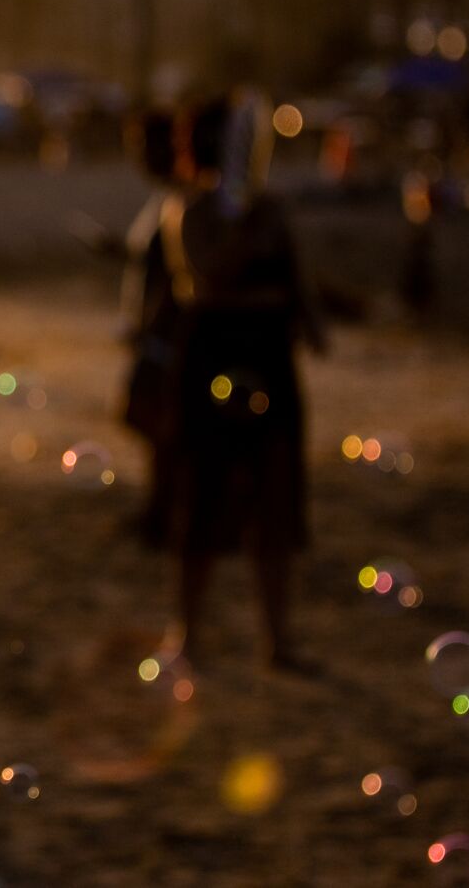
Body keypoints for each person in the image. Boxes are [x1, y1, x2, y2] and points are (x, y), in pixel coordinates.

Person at [161, 95, 326, 672]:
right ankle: (188, 635)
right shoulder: (191, 209)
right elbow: (207, 278)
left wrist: (309, 320)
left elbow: (297, 277)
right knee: (203, 500)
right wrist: (242, 225)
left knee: (276, 501)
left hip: (269, 359)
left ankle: (278, 639)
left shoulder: (272, 208)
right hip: (214, 359)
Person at [119, 108, 180, 547]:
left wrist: (149, 330)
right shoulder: (165, 198)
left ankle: (163, 512)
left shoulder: (179, 201)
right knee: (153, 425)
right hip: (156, 335)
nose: (139, 158)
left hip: (166, 338)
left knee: (159, 424)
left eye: (145, 147)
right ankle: (159, 508)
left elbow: (177, 274)